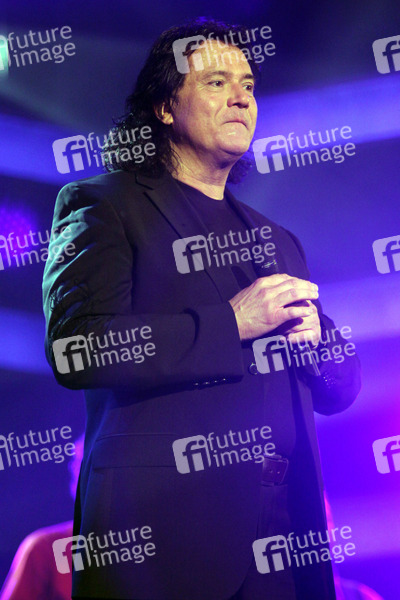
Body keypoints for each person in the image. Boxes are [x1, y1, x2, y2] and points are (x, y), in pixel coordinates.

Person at [42, 17, 361, 600]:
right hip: (164, 537)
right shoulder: (103, 205)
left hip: (284, 535)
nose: (242, 97)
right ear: (165, 107)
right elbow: (77, 347)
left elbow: (340, 390)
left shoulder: (277, 239)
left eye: (248, 85)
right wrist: (231, 324)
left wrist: (321, 343)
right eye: (217, 82)